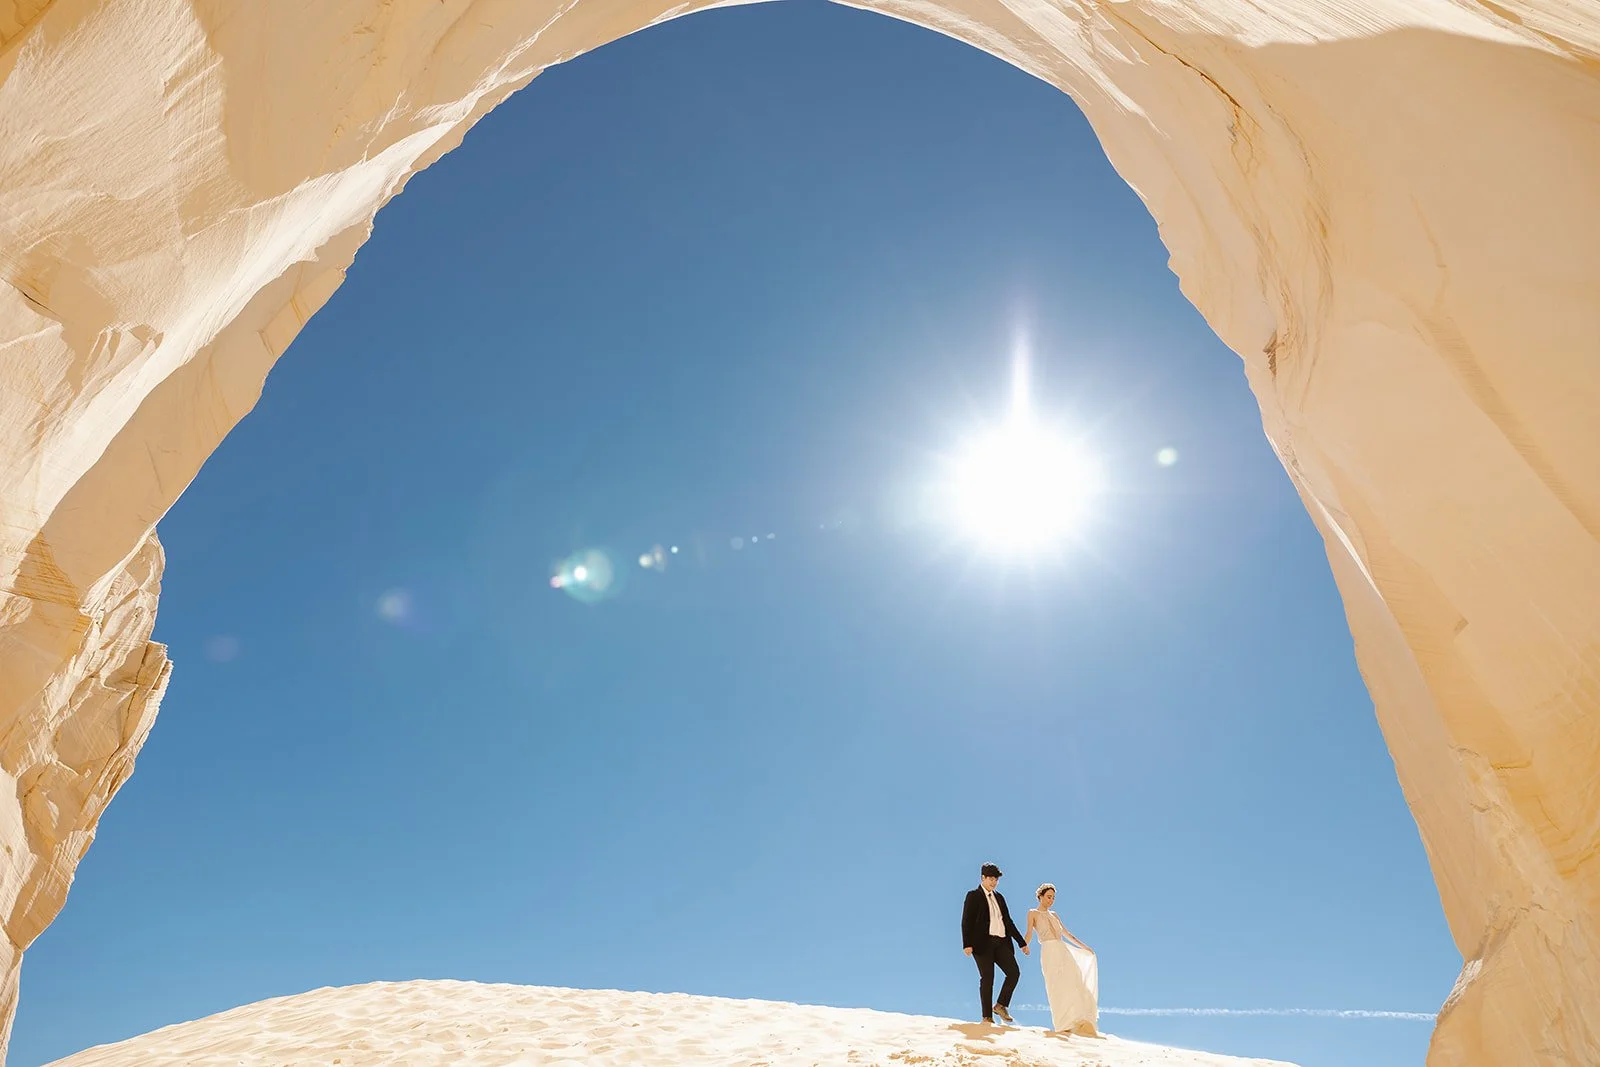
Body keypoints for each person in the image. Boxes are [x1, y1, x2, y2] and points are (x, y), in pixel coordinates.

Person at [1024, 882, 1099, 1036]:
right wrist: (1024, 945)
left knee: (1074, 982)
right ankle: (1063, 1024)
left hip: (1062, 950)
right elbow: (1029, 933)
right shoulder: (1033, 913)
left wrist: (1085, 947)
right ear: (1040, 897)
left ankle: (1079, 1021)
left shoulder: (1055, 915)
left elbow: (1067, 934)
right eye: (1049, 897)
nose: (1051, 900)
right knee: (1056, 987)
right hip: (1048, 951)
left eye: (1053, 898)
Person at [960, 863, 1029, 1024]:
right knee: (988, 978)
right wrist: (966, 944)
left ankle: (1001, 1005)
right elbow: (966, 921)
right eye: (990, 878)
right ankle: (987, 1017)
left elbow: (1008, 922)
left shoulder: (999, 897)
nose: (993, 882)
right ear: (983, 878)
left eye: (996, 879)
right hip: (982, 944)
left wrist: (1021, 942)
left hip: (1001, 943)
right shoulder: (973, 895)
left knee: (1014, 972)